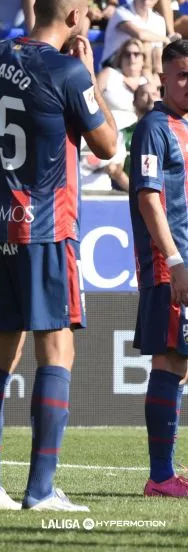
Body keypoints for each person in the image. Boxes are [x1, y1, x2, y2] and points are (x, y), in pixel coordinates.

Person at [0, 0, 118, 511]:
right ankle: (41, 490)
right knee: (57, 349)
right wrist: (92, 77)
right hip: (44, 226)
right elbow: (107, 144)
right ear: (75, 18)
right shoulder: (68, 70)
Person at [129, 39, 188, 498]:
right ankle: (160, 476)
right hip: (171, 265)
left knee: (180, 363)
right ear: (164, 76)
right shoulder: (154, 127)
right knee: (169, 359)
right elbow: (149, 197)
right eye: (182, 74)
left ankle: (166, 471)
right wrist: (174, 261)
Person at [101, 0, 170, 70]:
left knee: (158, 52)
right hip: (114, 65)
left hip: (142, 64)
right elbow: (140, 35)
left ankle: (158, 81)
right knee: (145, 45)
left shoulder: (159, 20)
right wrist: (165, 39)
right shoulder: (120, 12)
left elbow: (158, 51)